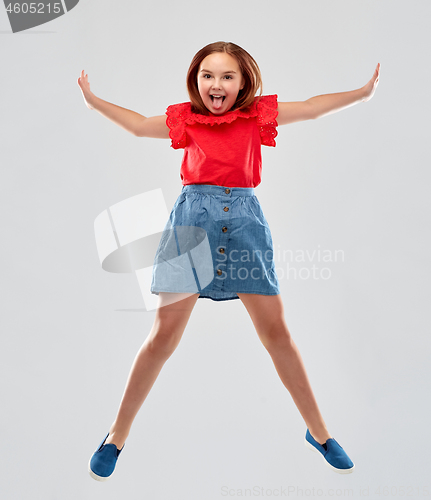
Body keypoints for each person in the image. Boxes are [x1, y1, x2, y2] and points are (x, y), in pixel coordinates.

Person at [77, 41, 380, 481]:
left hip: (243, 225)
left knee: (277, 333)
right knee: (163, 337)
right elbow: (140, 125)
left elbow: (313, 108)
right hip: (191, 225)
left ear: (243, 83)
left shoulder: (258, 116)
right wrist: (93, 100)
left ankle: (320, 433)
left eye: (226, 76)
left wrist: (362, 93)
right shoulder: (186, 119)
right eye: (207, 76)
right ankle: (116, 436)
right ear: (196, 81)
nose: (215, 84)